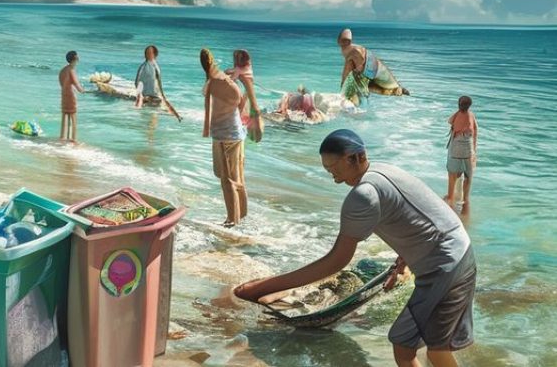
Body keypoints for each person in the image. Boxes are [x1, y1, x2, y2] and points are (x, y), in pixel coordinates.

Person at [234, 129, 476, 367]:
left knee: (405, 347)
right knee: (436, 349)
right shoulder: (385, 170)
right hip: (460, 255)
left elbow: (336, 260)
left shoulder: (363, 195)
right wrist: (402, 262)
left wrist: (260, 288)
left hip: (444, 266)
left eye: (335, 168)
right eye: (328, 170)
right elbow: (420, 215)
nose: (333, 176)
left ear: (356, 158)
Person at [201, 49, 247, 227]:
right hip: (235, 133)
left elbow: (208, 105)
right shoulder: (225, 81)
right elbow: (240, 102)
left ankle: (232, 221)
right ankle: (241, 217)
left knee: (227, 180)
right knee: (238, 178)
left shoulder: (213, 83)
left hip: (224, 134)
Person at [338, 28, 409, 106]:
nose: (343, 43)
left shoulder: (354, 51)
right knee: (368, 86)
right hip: (370, 65)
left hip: (369, 66)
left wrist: (344, 84)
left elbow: (352, 68)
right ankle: (396, 90)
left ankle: (360, 107)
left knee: (361, 89)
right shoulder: (349, 50)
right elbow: (348, 67)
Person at [444, 96, 478, 213]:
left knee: (452, 174)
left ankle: (450, 197)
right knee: (468, 176)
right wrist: (474, 150)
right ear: (470, 105)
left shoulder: (457, 115)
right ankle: (465, 201)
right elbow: (476, 130)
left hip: (456, 149)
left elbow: (449, 120)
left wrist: (458, 110)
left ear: (459, 105)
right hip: (468, 149)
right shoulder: (471, 115)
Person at [134, 45, 182, 121]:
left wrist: (162, 95)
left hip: (155, 98)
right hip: (146, 99)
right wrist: (140, 96)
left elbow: (159, 83)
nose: (147, 54)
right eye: (146, 52)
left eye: (150, 53)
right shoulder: (142, 67)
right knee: (147, 122)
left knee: (152, 121)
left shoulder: (155, 66)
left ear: (155, 55)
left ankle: (177, 116)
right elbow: (136, 82)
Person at [225, 49, 262, 134]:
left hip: (241, 92)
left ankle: (240, 122)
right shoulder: (248, 68)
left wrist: (227, 73)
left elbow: (230, 81)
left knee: (240, 107)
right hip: (248, 92)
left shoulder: (236, 70)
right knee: (245, 104)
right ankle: (246, 119)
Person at [59, 50, 84, 141]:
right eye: (77, 57)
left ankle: (62, 137)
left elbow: (62, 82)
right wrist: (82, 90)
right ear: (75, 59)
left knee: (65, 116)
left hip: (64, 94)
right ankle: (73, 139)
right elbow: (76, 84)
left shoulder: (63, 70)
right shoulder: (71, 70)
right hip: (71, 95)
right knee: (73, 118)